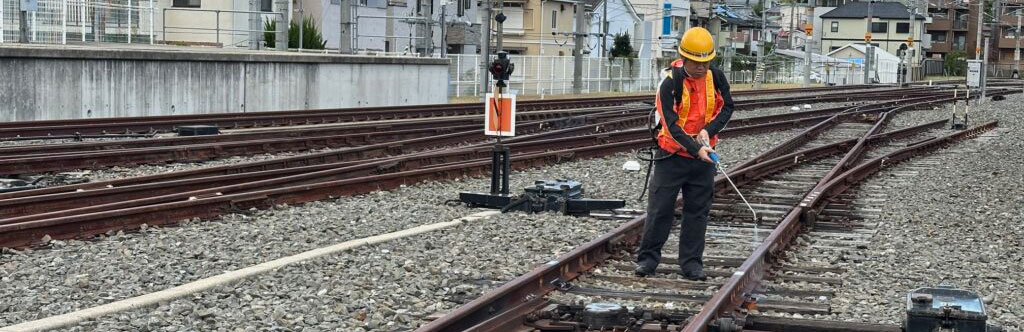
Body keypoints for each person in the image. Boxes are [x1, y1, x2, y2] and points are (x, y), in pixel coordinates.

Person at [634, 27, 735, 281]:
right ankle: (647, 260)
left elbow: (727, 108)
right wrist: (696, 148)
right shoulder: (669, 82)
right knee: (660, 210)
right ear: (684, 58)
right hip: (671, 156)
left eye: (706, 62)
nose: (701, 68)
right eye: (696, 62)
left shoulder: (717, 78)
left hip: (704, 158)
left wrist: (707, 131)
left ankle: (691, 264)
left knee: (697, 212)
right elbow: (670, 124)